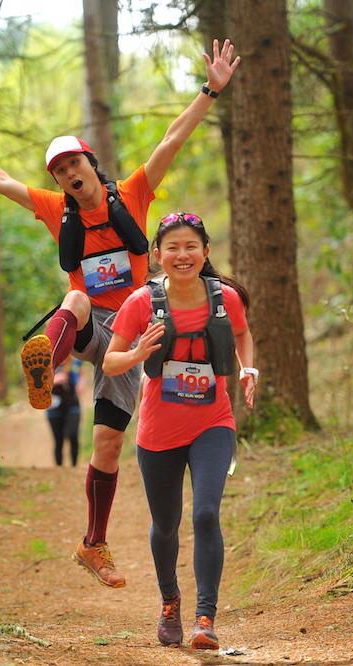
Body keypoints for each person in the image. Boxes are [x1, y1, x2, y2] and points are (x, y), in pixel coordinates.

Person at [0, 40, 241, 590]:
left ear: (92, 163)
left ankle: (94, 544)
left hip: (137, 331)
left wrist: (211, 89)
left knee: (108, 445)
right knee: (75, 299)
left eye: (73, 162)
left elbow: (172, 139)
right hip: (88, 328)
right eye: (59, 168)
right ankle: (46, 364)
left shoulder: (132, 194)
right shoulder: (52, 208)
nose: (67, 172)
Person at [103, 212, 257, 650]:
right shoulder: (140, 303)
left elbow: (242, 335)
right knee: (166, 524)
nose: (182, 254)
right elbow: (110, 362)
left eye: (191, 246)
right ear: (158, 255)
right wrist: (137, 354)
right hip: (158, 431)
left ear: (206, 253)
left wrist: (249, 368)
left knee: (206, 513)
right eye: (172, 247)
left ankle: (205, 619)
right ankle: (170, 601)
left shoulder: (226, 298)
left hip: (213, 421)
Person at [47, 358, 82, 467]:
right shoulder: (47, 365)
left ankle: (74, 466)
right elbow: (38, 386)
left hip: (72, 405)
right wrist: (54, 380)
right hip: (54, 408)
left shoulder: (75, 364)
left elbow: (80, 375)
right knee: (58, 439)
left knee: (73, 435)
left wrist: (81, 383)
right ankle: (59, 468)